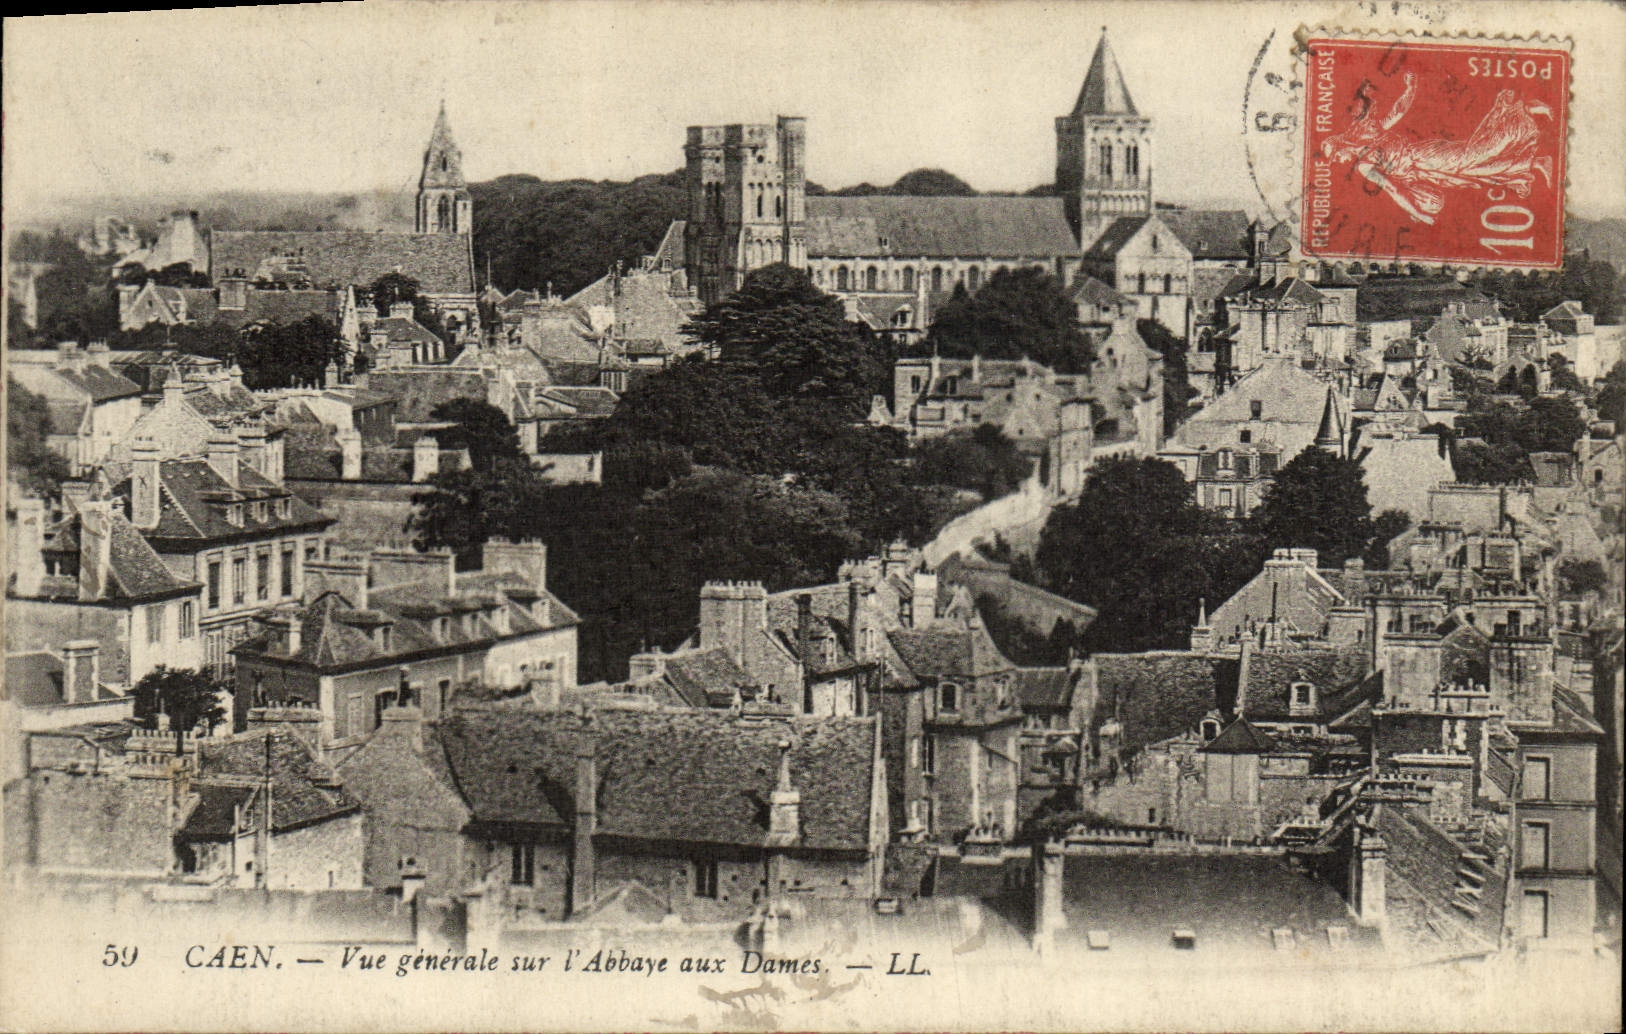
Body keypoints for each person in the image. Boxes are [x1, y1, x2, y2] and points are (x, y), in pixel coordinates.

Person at [1321, 71, 1554, 225]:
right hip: (1425, 172)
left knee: (1478, 154)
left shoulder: (1366, 148)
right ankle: (1534, 163)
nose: (1340, 162)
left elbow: (1393, 189)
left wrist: (1410, 88)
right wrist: (1417, 209)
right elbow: (1398, 188)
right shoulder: (1363, 162)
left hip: (1425, 157)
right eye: (1336, 162)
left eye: (1336, 156)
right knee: (1476, 172)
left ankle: (1521, 111)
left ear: (1341, 144)